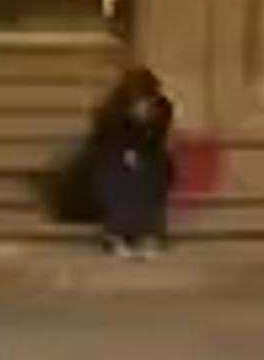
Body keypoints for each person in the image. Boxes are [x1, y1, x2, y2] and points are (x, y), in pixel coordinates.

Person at [53, 60, 178, 251]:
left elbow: (157, 144)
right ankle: (116, 232)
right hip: (103, 166)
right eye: (138, 100)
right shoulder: (110, 112)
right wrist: (128, 151)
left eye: (147, 99)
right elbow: (102, 145)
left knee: (150, 171)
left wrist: (145, 130)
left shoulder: (163, 109)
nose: (143, 105)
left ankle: (149, 232)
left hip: (145, 161)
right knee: (120, 174)